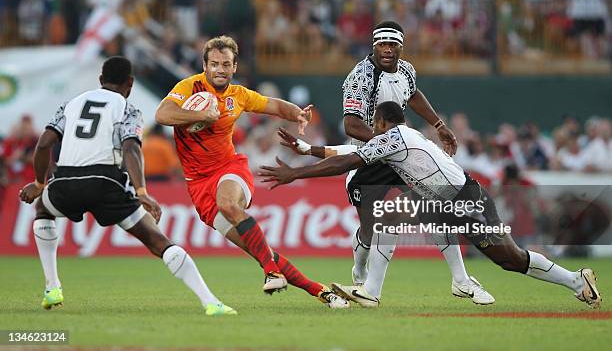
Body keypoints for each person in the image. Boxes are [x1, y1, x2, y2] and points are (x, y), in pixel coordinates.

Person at [260, 102, 602, 309]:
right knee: (388, 217)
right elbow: (348, 153)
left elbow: (348, 161)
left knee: (510, 259)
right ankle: (372, 291)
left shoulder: (395, 138)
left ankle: (575, 280)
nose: (371, 133)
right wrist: (306, 151)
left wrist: (295, 175)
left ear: (380, 124)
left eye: (373, 127)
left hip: (465, 200)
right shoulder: (401, 138)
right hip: (448, 197)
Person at [18, 56, 236, 316]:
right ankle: (210, 302)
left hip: (66, 181)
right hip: (105, 182)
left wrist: (40, 183)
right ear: (130, 84)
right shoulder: (127, 108)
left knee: (43, 209)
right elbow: (131, 148)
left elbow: (43, 144)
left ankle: (52, 287)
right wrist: (142, 192)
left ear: (101, 80)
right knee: (158, 241)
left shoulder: (72, 104)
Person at [154, 35, 348, 308]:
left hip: (229, 169)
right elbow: (162, 114)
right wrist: (200, 115)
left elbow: (276, 106)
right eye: (214, 64)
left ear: (234, 68)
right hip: (198, 186)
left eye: (226, 64)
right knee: (259, 251)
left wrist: (297, 115)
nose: (220, 69)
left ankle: (271, 272)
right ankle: (320, 291)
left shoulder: (239, 95)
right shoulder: (189, 87)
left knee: (229, 204)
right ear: (205, 66)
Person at [339, 20, 493, 305]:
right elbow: (350, 124)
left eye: (392, 45)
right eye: (382, 45)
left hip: (402, 156)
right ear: (374, 46)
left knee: (434, 209)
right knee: (372, 231)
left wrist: (438, 123)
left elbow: (413, 94)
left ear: (400, 47)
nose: (387, 50)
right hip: (369, 160)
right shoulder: (360, 77)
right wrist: (384, 140)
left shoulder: (406, 70)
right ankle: (359, 272)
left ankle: (461, 279)